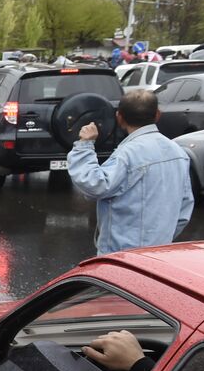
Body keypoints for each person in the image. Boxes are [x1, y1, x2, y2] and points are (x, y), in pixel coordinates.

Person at [68, 89, 193, 255]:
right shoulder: (178, 153)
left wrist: (85, 145)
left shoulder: (127, 154)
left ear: (119, 117)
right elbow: (184, 209)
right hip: (159, 252)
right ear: (157, 115)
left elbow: (95, 185)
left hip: (122, 255)